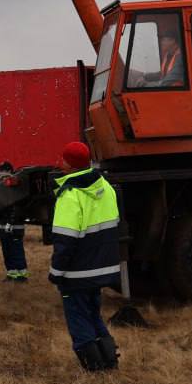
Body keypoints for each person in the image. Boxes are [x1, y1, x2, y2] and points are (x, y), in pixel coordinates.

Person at [51, 142, 121, 371]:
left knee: (79, 319)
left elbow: (65, 240)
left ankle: (94, 367)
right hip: (101, 267)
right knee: (94, 314)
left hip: (77, 271)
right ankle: (109, 361)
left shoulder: (70, 195)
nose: (59, 163)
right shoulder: (106, 187)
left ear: (69, 164)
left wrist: (56, 272)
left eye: (63, 160)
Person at [0, 161, 29, 282]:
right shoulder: (0, 186)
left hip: (14, 226)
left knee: (16, 250)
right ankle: (11, 273)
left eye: (1, 170)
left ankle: (21, 275)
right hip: (3, 225)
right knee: (6, 250)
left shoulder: (16, 184)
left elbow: (17, 206)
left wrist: (11, 222)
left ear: (8, 171)